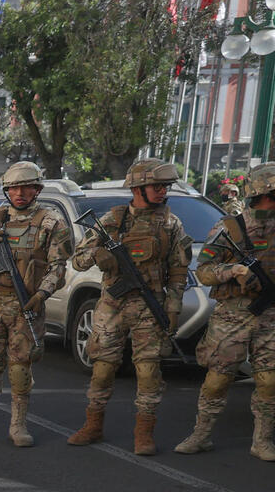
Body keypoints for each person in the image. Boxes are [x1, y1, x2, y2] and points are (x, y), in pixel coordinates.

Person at [66, 159, 192, 455]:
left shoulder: (172, 224)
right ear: (138, 188)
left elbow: (178, 269)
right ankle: (93, 425)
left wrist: (173, 307)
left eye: (166, 186)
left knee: (148, 372)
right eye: (157, 186)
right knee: (102, 369)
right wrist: (99, 254)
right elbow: (78, 260)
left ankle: (144, 433)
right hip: (112, 306)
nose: (163, 191)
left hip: (150, 308)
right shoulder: (112, 220)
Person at [0, 162, 71, 446]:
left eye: (27, 187)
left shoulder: (51, 221)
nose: (20, 193)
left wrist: (41, 295)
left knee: (20, 367)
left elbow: (58, 266)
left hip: (26, 305)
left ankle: (18, 425)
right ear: (7, 190)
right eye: (14, 188)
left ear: (37, 189)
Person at [176, 163, 275, 461]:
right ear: (264, 192)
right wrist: (233, 270)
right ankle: (201, 434)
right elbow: (204, 271)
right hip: (232, 314)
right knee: (218, 378)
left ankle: (262, 440)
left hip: (270, 315)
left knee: (270, 380)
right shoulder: (230, 227)